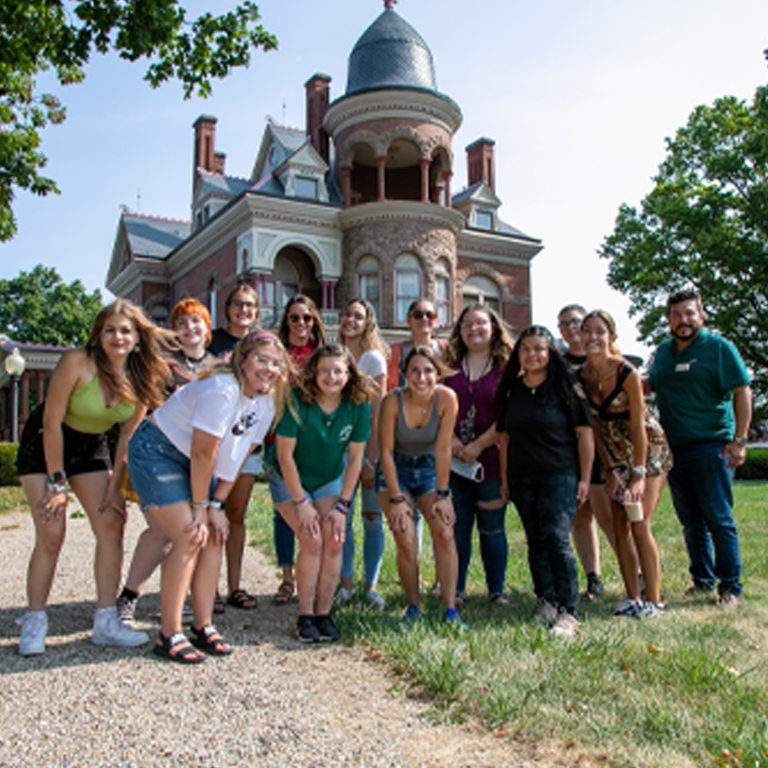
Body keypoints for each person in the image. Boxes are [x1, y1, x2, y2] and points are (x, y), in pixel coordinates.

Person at [15, 299, 172, 656]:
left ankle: (106, 620)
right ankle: (35, 618)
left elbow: (127, 438)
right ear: (99, 334)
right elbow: (51, 422)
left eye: (125, 330)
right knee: (52, 530)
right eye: (110, 329)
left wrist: (115, 489)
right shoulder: (77, 362)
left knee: (112, 523)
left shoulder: (143, 376)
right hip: (46, 443)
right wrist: (57, 484)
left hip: (92, 446)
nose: (118, 336)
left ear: (137, 338)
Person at [127, 330, 288, 663]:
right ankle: (170, 633)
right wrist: (201, 507)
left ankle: (203, 625)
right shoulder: (223, 391)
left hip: (197, 461)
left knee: (215, 534)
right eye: (261, 359)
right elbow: (203, 454)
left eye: (276, 363)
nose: (268, 369)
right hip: (157, 450)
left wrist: (216, 505)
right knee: (190, 535)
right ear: (242, 359)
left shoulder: (267, 400)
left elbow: (241, 454)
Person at [646, 289, 752, 609]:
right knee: (691, 521)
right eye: (676, 315)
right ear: (669, 321)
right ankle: (702, 580)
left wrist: (741, 439)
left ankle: (730, 587)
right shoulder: (664, 352)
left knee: (718, 518)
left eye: (690, 313)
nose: (684, 320)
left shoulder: (720, 349)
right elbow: (649, 384)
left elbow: (742, 391)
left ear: (701, 316)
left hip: (712, 447)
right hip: (674, 449)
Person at [117, 298, 218, 622]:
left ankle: (182, 598)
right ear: (173, 331)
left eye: (196, 321)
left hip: (200, 463)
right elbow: (140, 414)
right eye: (182, 322)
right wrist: (122, 466)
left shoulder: (219, 369)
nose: (190, 327)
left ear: (207, 328)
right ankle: (129, 597)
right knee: (168, 531)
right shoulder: (163, 366)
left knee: (189, 532)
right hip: (159, 458)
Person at [266, 343, 372, 643]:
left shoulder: (358, 404)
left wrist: (342, 508)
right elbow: (285, 457)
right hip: (288, 476)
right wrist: (302, 504)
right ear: (313, 372)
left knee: (335, 539)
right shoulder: (297, 400)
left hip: (327, 478)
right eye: (324, 370)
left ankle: (324, 614)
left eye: (338, 370)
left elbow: (354, 460)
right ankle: (305, 617)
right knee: (311, 538)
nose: (331, 376)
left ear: (349, 375)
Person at [496, 326, 594, 638]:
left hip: (560, 474)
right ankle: (546, 601)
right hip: (522, 477)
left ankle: (569, 611)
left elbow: (585, 436)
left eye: (539, 348)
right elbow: (504, 438)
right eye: (525, 348)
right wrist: (505, 479)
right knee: (536, 540)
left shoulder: (567, 387)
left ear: (550, 351)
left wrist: (585, 479)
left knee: (556, 537)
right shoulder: (511, 391)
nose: (532, 354)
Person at [579, 310, 672, 619]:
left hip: (646, 450)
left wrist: (638, 474)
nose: (593, 337)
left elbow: (637, 427)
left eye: (600, 331)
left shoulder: (626, 372)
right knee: (619, 524)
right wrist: (612, 471)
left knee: (639, 520)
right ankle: (632, 597)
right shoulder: (580, 377)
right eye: (587, 331)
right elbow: (592, 427)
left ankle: (654, 602)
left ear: (612, 337)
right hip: (613, 455)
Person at [377, 345, 463, 625]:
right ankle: (413, 607)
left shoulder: (447, 398)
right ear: (403, 374)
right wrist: (397, 498)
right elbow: (386, 452)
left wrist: (443, 494)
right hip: (394, 470)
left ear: (438, 374)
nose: (421, 377)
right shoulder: (392, 401)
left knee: (445, 533)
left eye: (428, 370)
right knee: (405, 537)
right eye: (414, 370)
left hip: (429, 468)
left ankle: (451, 609)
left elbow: (442, 450)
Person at [443, 303, 514, 606]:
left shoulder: (507, 366)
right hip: (454, 459)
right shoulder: (449, 365)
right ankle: (455, 589)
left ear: (494, 327)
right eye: (467, 324)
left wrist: (478, 445)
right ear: (459, 331)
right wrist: (455, 440)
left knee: (492, 525)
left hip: (492, 459)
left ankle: (495, 590)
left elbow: (510, 414)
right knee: (458, 526)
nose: (474, 329)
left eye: (481, 323)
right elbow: (437, 406)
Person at [206, 284, 262, 612]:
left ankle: (235, 586)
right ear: (227, 308)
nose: (244, 310)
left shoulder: (260, 343)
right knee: (212, 510)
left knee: (236, 514)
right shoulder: (212, 342)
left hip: (247, 442)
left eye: (250, 305)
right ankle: (208, 586)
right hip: (213, 440)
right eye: (238, 304)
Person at [270, 294, 327, 605]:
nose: (301, 323)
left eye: (306, 317)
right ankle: (287, 578)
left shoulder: (321, 354)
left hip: (315, 440)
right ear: (286, 321)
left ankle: (314, 575)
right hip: (281, 436)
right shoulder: (278, 352)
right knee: (285, 512)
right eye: (294, 317)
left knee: (312, 509)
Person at [557, 304, 614, 600]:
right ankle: (594, 578)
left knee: (608, 516)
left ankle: (637, 574)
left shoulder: (606, 359)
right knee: (581, 517)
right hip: (571, 448)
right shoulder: (558, 363)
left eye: (575, 322)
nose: (570, 328)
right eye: (563, 324)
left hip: (605, 448)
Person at [335, 298, 389, 607]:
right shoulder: (334, 356)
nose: (350, 320)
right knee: (342, 517)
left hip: (367, 452)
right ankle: (345, 586)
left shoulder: (373, 360)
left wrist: (372, 458)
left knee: (371, 518)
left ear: (367, 323)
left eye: (357, 315)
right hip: (339, 452)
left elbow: (379, 412)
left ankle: (370, 586)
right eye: (346, 314)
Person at [386, 298, 448, 392]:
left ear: (436, 321)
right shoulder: (394, 351)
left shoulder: (446, 349)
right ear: (409, 320)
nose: (424, 318)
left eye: (430, 315)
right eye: (418, 315)